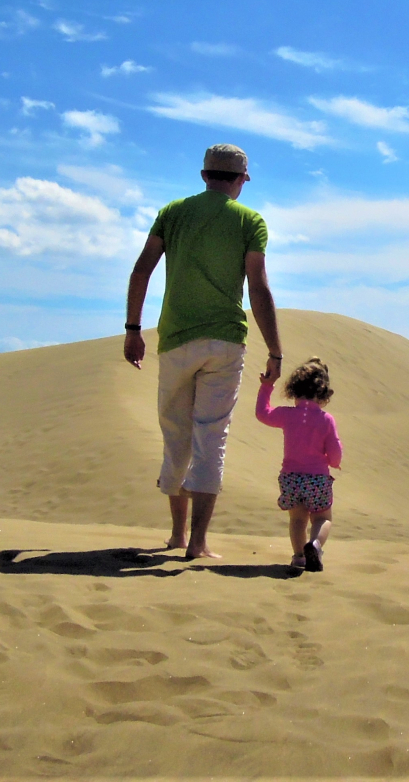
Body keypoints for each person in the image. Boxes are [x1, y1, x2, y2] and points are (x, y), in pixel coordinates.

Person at [124, 144, 283, 560]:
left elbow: (142, 268)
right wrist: (275, 350)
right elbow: (258, 286)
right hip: (225, 341)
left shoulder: (173, 211)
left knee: (175, 435)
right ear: (240, 180)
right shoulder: (250, 220)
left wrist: (132, 329)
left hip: (175, 337)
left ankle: (176, 534)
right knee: (211, 437)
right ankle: (197, 544)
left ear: (203, 175)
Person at [255, 357, 342, 572]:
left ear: (294, 390)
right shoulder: (326, 419)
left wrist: (266, 387)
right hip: (317, 479)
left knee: (297, 519)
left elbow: (262, 413)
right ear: (323, 394)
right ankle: (315, 544)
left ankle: (299, 557)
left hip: (291, 478)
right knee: (322, 517)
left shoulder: (288, 415)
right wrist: (334, 462)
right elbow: (335, 450)